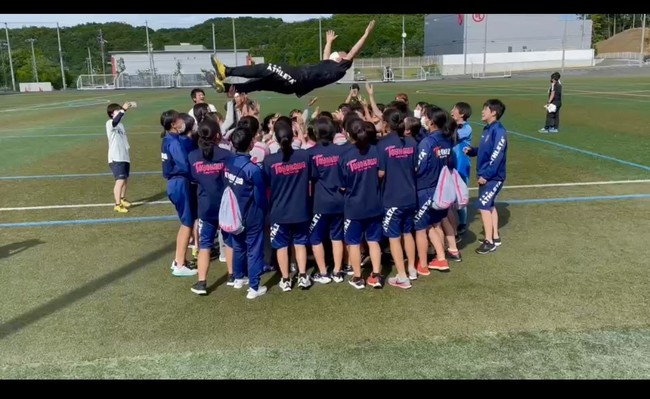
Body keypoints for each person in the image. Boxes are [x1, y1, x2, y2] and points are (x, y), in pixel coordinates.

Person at [205, 20, 376, 97]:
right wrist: (328, 42)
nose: (343, 53)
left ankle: (226, 71)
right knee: (260, 83)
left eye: (343, 53)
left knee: (268, 68)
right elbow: (325, 57)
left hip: (298, 77)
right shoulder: (330, 66)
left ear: (343, 60)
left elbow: (354, 50)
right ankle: (228, 87)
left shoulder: (341, 68)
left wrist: (366, 34)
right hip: (294, 86)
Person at [464, 99, 508, 255]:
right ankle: (494, 236)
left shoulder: (499, 131)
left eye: (485, 109)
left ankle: (489, 242)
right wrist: (472, 151)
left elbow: (497, 155)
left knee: (483, 206)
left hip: (493, 177)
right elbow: (485, 150)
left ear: (493, 112)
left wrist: (487, 176)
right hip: (486, 175)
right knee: (489, 205)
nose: (482, 112)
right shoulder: (487, 129)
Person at [105, 102, 134, 214]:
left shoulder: (121, 125)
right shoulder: (109, 123)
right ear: (112, 113)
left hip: (124, 156)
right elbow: (115, 121)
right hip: (115, 157)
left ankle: (122, 199)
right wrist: (123, 110)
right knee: (120, 180)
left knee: (125, 179)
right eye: (117, 110)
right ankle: (117, 204)